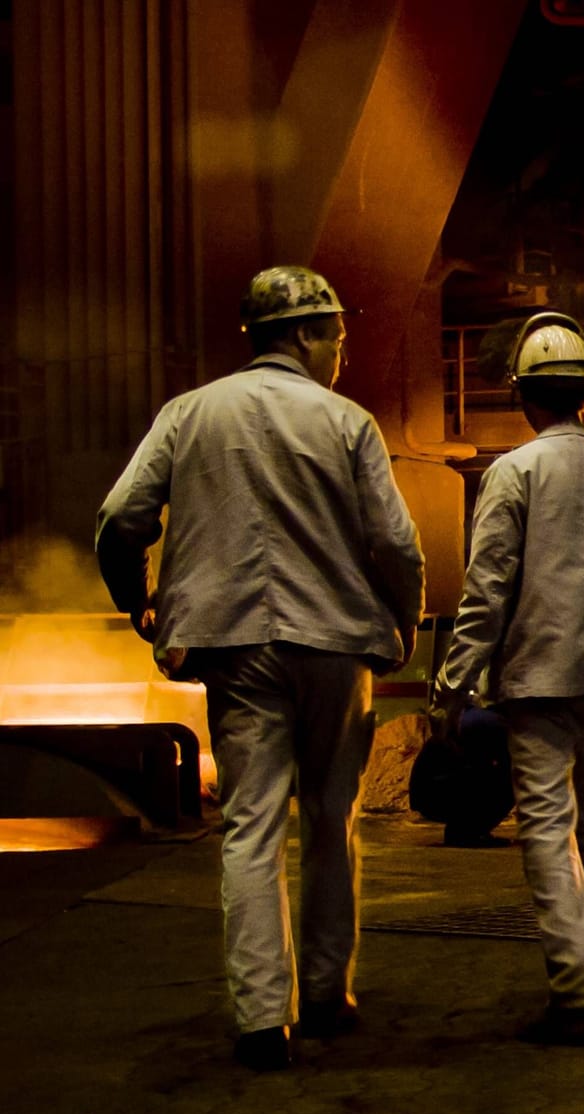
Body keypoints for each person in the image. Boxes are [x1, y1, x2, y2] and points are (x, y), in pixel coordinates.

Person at [96, 266, 425, 1072]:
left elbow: (118, 520)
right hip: (336, 646)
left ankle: (258, 1020)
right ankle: (324, 995)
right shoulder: (346, 423)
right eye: (337, 339)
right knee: (329, 818)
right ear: (305, 335)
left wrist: (140, 603)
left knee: (248, 829)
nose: (342, 355)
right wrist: (402, 623)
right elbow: (395, 544)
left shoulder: (187, 415)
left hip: (234, 648)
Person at [432, 311, 584, 1048]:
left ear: (523, 398)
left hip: (539, 680)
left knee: (545, 825)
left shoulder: (513, 474)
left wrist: (454, 682)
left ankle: (576, 992)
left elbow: (487, 590)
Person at [409, 704, 515, 847]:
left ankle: (466, 831)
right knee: (511, 781)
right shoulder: (495, 723)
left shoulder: (481, 717)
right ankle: (467, 833)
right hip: (436, 791)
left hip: (430, 791)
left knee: (497, 776)